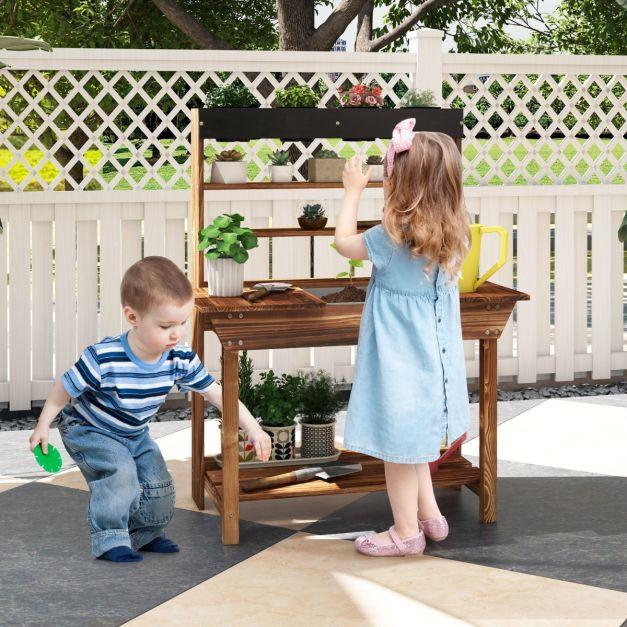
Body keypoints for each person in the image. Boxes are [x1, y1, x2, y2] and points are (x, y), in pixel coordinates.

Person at [28, 256, 271, 563]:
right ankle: (110, 538)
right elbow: (65, 387)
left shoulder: (178, 358)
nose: (177, 334)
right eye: (166, 326)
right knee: (122, 473)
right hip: (91, 430)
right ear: (133, 316)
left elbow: (217, 394)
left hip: (134, 432)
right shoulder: (105, 357)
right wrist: (42, 424)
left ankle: (146, 534)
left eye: (183, 323)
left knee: (158, 481)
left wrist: (252, 427)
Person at [335, 119, 471, 557]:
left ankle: (405, 533)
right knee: (418, 442)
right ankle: (431, 517)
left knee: (398, 450)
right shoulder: (451, 239)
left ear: (402, 184)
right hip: (436, 373)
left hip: (399, 369)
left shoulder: (388, 239)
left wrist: (353, 190)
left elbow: (341, 242)